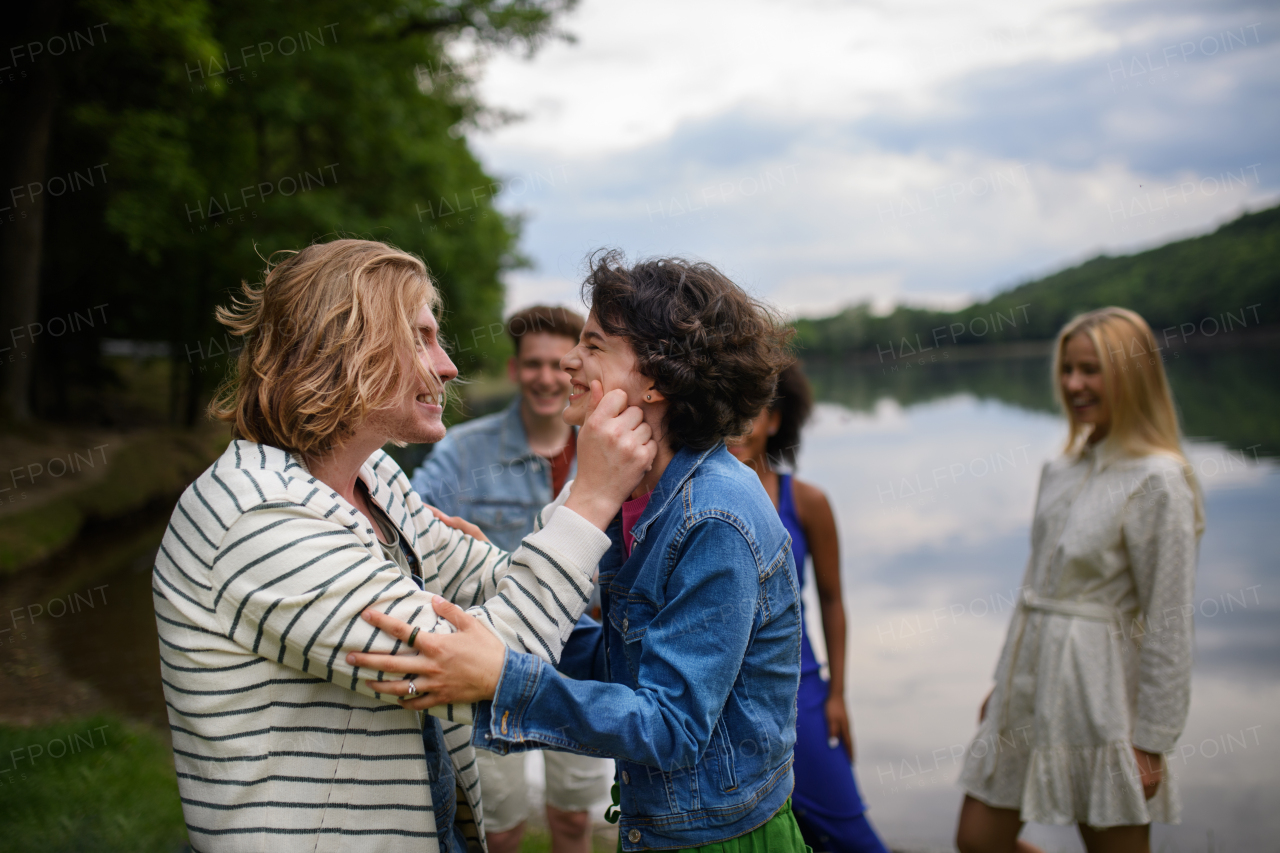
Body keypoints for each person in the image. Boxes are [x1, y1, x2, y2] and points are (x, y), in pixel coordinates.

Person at [152, 238, 655, 853]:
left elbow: (498, 581)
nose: (447, 365)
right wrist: (593, 499)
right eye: (420, 337)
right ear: (346, 346)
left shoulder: (375, 479)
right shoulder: (261, 519)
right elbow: (490, 665)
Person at [347, 252, 812, 852]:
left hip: (722, 839)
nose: (570, 360)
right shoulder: (643, 491)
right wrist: (505, 582)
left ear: (657, 380)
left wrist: (503, 678)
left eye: (592, 346)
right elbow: (625, 660)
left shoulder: (715, 517)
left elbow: (670, 727)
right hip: (666, 828)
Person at [954, 307, 1203, 853]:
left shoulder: (1159, 480)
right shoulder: (1060, 469)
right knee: (977, 842)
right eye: (1068, 369)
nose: (1073, 384)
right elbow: (1032, 583)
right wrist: (1003, 682)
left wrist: (1154, 740)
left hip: (1101, 694)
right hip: (1028, 683)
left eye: (1090, 369)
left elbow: (1169, 619)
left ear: (1131, 372)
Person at [410, 305, 611, 853]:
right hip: (494, 657)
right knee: (497, 826)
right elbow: (412, 526)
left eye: (557, 364)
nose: (546, 378)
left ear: (576, 367)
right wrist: (464, 559)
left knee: (574, 818)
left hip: (581, 664)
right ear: (515, 367)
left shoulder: (612, 453)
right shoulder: (463, 450)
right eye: (532, 364)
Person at [727, 363, 891, 853]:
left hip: (800, 690)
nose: (737, 427)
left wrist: (838, 695)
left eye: (750, 415)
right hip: (720, 699)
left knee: (848, 835)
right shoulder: (690, 501)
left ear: (775, 421)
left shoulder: (807, 501)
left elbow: (833, 601)